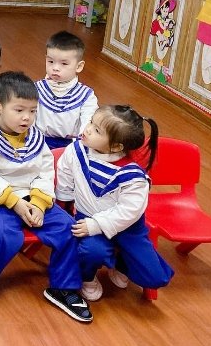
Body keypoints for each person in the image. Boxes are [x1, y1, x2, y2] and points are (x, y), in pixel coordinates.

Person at [0, 72, 92, 326]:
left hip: (31, 197)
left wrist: (38, 203)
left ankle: (63, 288)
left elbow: (45, 172)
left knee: (67, 228)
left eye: (32, 111)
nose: (27, 117)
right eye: (19, 110)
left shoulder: (36, 137)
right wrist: (16, 204)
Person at [56, 105, 173, 301]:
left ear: (117, 147)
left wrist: (98, 224)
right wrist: (65, 207)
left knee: (156, 277)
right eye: (91, 122)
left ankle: (119, 262)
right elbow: (65, 177)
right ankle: (88, 277)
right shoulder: (76, 150)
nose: (87, 129)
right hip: (87, 219)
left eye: (97, 130)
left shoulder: (133, 176)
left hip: (127, 227)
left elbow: (129, 211)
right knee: (93, 251)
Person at [36, 31, 99, 149]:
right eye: (50, 61)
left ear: (79, 66)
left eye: (64, 64)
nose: (55, 68)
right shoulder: (36, 89)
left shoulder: (86, 96)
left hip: (70, 147)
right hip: (37, 142)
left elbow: (88, 122)